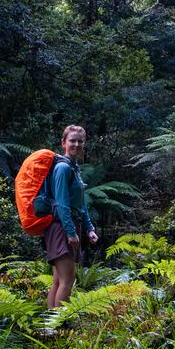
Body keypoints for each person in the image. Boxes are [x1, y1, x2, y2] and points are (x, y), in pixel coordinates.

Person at [41, 125, 99, 308]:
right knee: (68, 279)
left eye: (80, 141)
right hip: (61, 227)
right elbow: (62, 203)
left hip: (69, 225)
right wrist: (70, 232)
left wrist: (89, 228)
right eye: (72, 140)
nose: (76, 144)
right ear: (63, 143)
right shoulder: (63, 169)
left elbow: (80, 204)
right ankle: (58, 327)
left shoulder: (74, 169)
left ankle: (49, 327)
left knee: (59, 281)